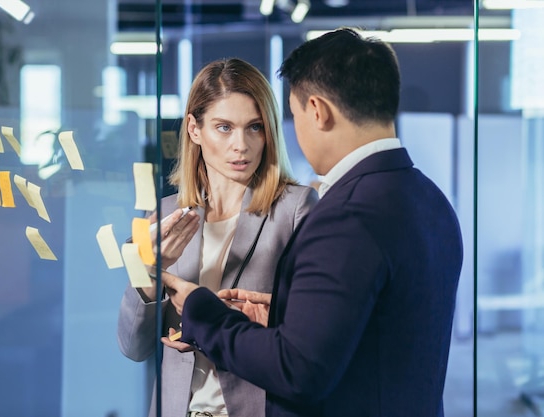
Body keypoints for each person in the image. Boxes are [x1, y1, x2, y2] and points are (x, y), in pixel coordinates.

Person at [161, 28, 464, 417]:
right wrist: (290, 316)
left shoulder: (343, 215)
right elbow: (379, 331)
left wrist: (201, 310)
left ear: (317, 111)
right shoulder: (430, 200)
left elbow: (298, 371)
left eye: (291, 114)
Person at [117, 58, 318, 417]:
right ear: (194, 129)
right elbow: (133, 346)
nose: (240, 145)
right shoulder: (163, 216)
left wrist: (229, 320)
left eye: (254, 127)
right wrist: (148, 273)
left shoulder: (295, 208)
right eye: (224, 127)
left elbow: (314, 340)